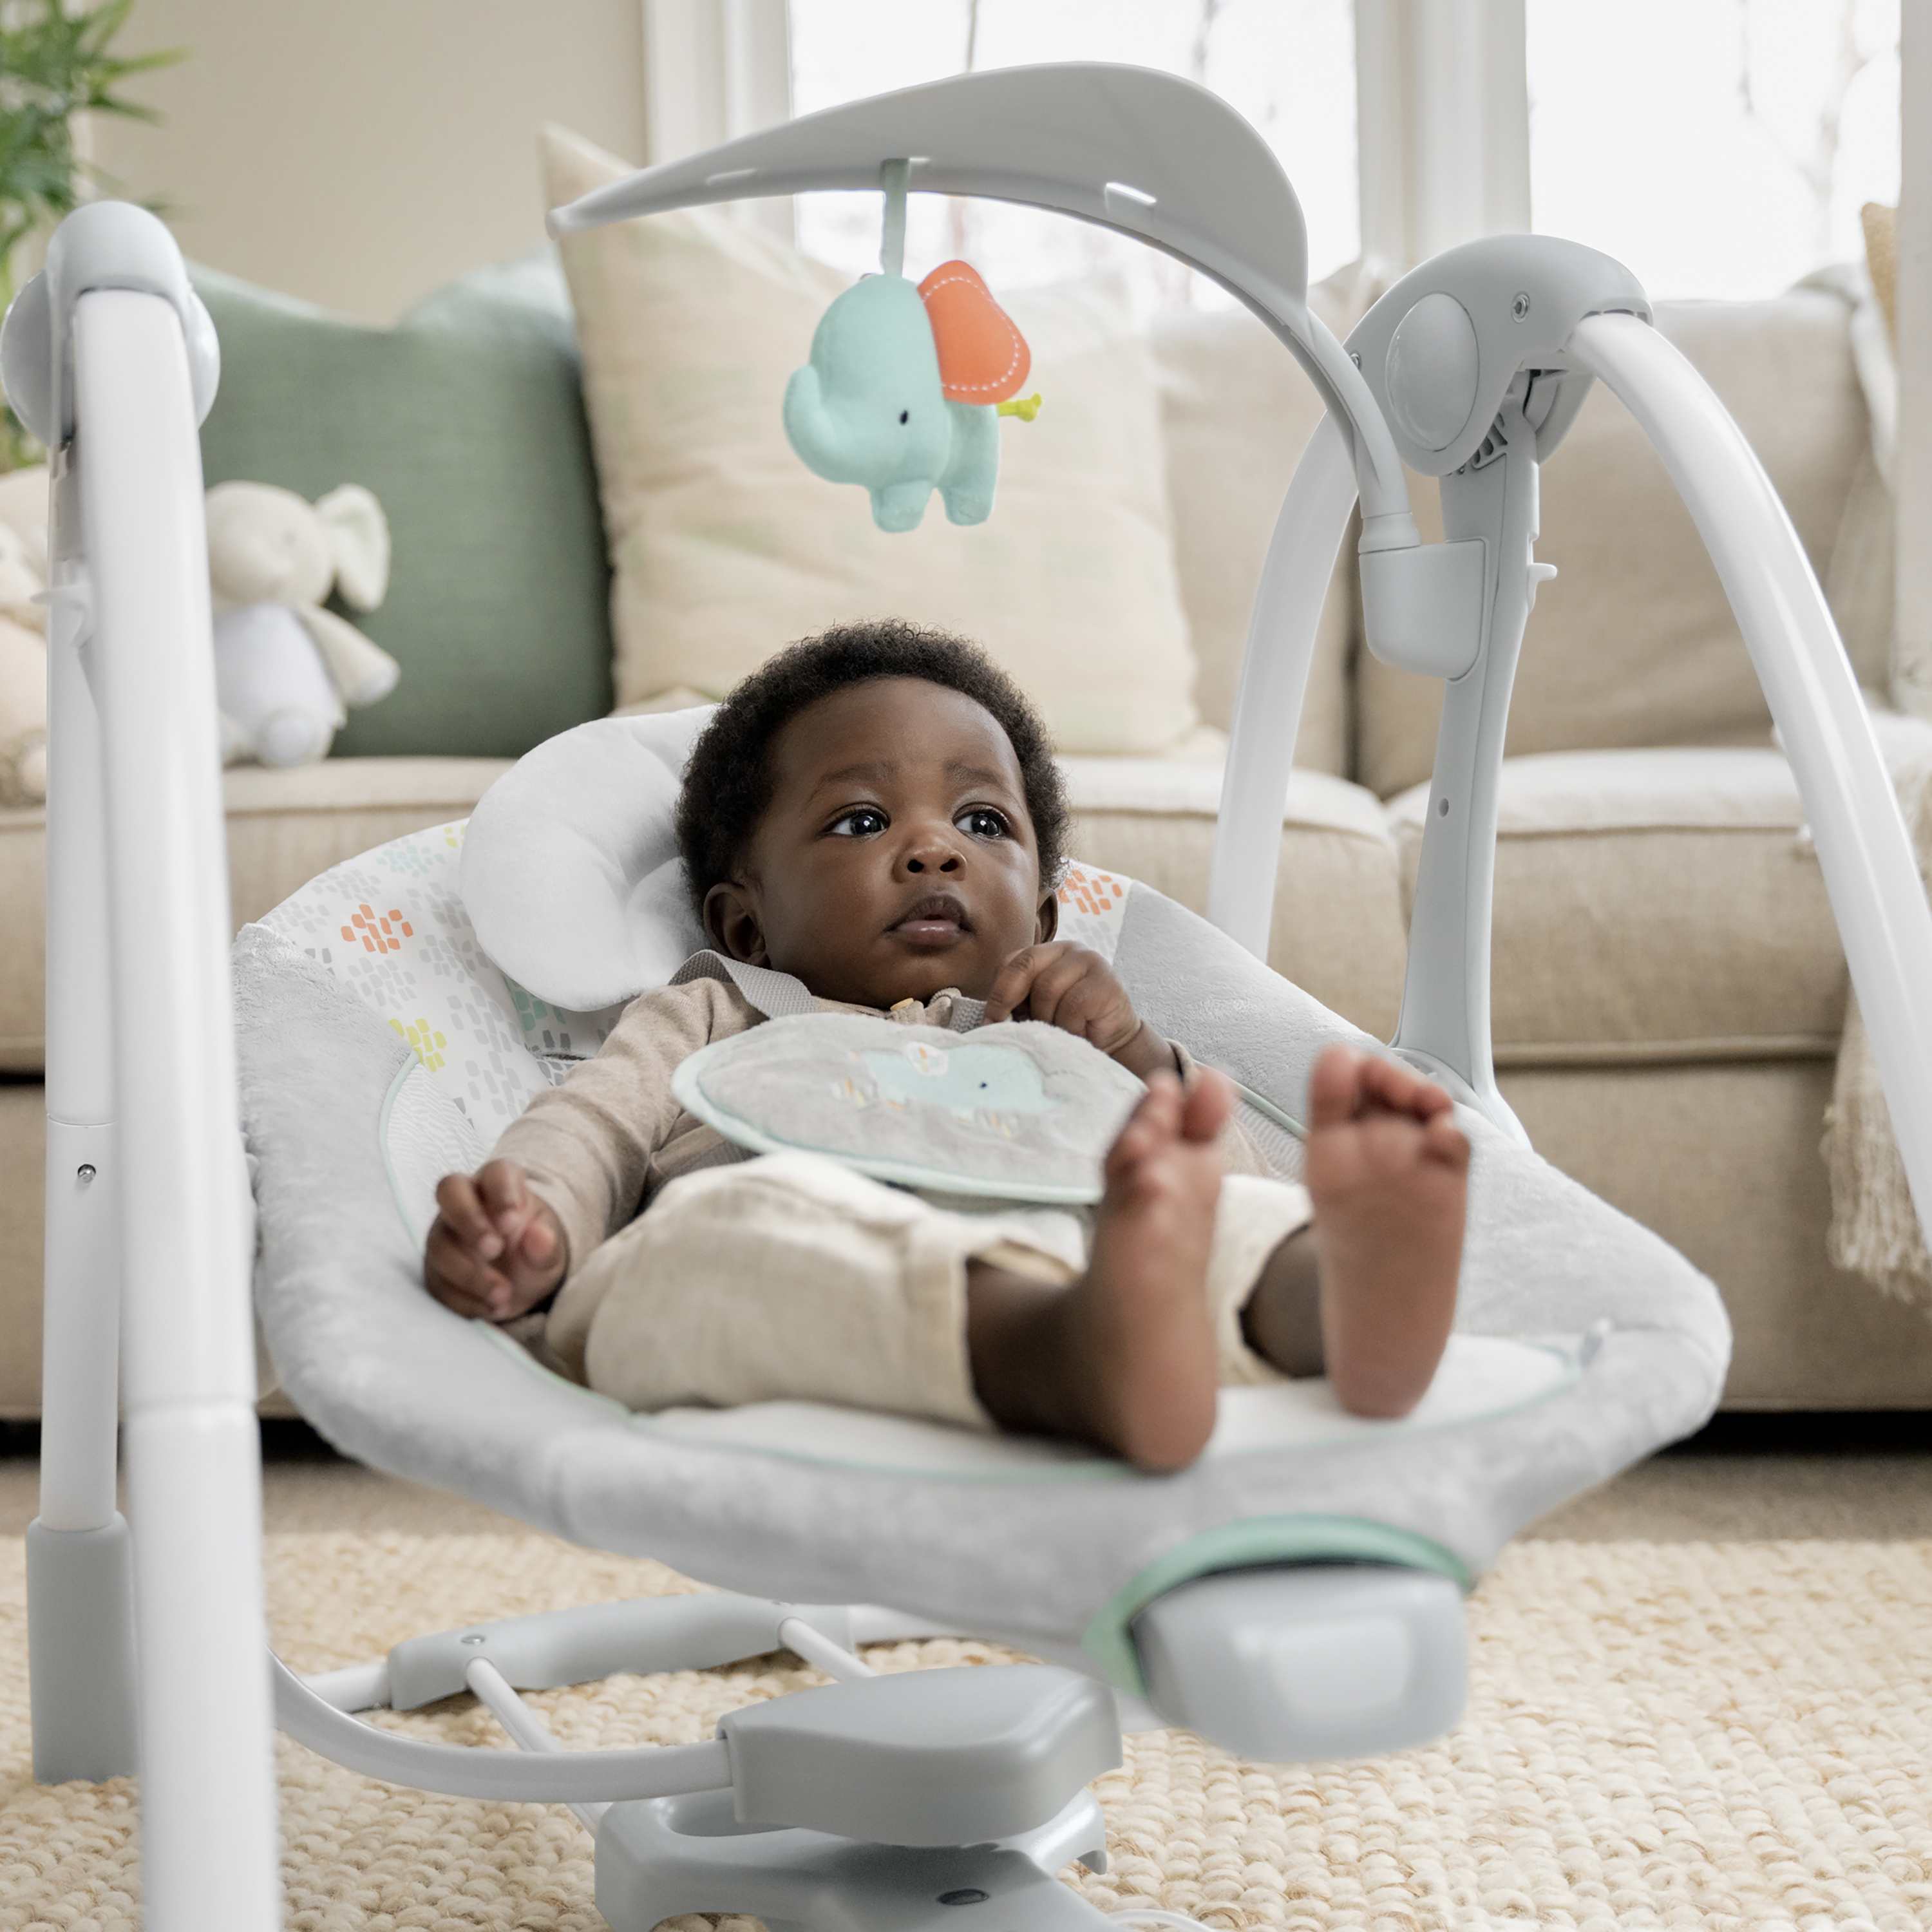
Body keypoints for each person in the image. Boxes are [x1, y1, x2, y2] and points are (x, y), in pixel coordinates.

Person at [424, 622, 1469, 1472]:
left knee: (1230, 1225)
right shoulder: (714, 1012)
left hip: (1091, 1271)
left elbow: (1225, 1180)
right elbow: (592, 1127)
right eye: (860, 822)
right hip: (808, 1297)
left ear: (1045, 917)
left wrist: (1139, 1059)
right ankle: (1067, 1354)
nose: (933, 847)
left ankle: (1342, 1302)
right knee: (711, 1242)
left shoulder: (1065, 1029)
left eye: (982, 822)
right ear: (745, 925)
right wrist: (535, 1217)